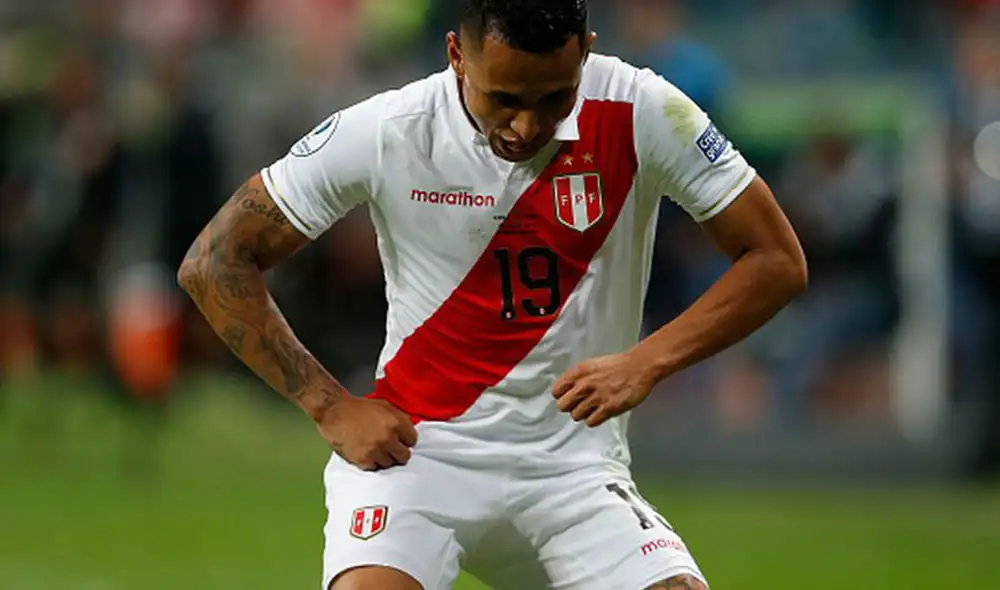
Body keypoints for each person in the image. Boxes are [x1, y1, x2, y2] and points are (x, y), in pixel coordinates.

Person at [177, 1, 807, 588]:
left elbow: (776, 259)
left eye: (554, 97)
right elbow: (214, 260)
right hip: (417, 460)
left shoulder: (642, 109)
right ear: (456, 55)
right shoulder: (390, 129)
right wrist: (330, 407)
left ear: (585, 51)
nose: (526, 124)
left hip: (575, 474)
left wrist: (647, 361)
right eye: (503, 98)